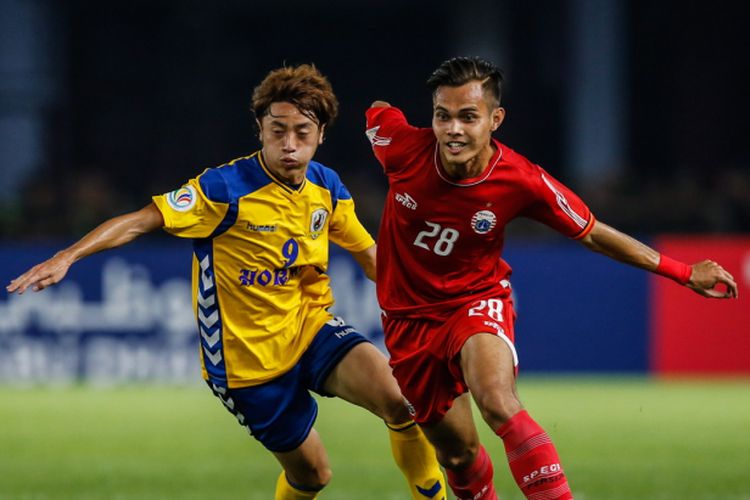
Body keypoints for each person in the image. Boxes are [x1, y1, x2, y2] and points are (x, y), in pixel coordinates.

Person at [7, 64, 447, 500]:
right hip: (245, 366)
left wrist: (434, 302)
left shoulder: (326, 187)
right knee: (313, 476)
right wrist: (69, 255)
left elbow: (371, 257)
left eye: (302, 132)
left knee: (401, 401)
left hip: (309, 328)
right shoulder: (224, 189)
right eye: (278, 131)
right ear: (260, 129)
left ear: (321, 134)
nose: (289, 145)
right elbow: (142, 221)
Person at [365, 56, 738, 500]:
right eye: (443, 116)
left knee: (498, 402)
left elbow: (594, 233)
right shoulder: (401, 148)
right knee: (459, 457)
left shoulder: (522, 180)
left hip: (474, 303)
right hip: (407, 323)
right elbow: (378, 111)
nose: (453, 130)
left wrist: (681, 271)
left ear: (495, 119)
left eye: (468, 116)